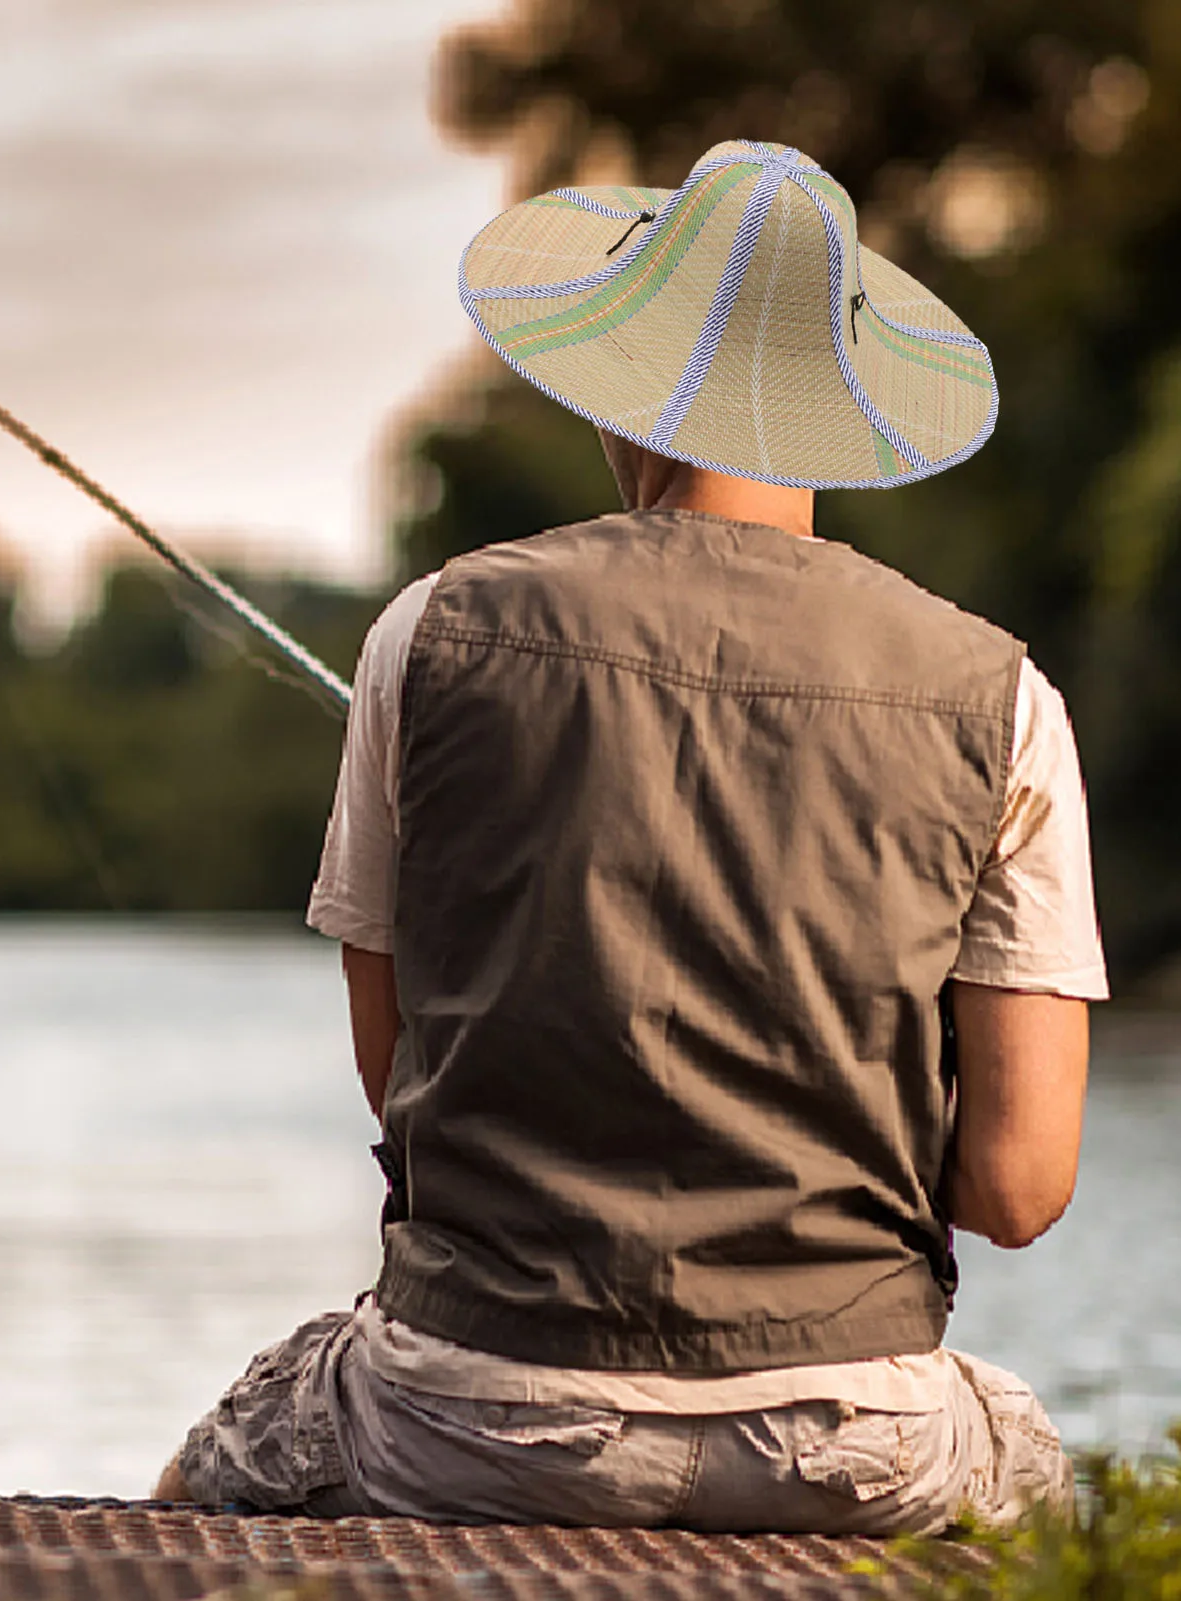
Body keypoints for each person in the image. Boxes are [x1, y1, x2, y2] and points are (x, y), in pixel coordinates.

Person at [157, 140, 1106, 1533]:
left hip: (465, 1409)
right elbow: (1017, 1189)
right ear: (839, 404)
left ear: (634, 385)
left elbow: (395, 1070)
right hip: (851, 1436)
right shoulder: (1002, 701)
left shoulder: (426, 634)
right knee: (1074, 1506)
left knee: (192, 1484)